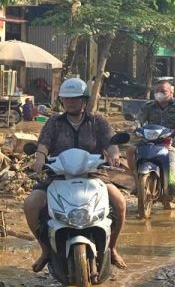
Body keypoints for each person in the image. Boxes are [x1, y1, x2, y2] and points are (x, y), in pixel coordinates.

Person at [24, 78, 127, 273]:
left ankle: (112, 248)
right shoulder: (54, 122)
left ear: (84, 100)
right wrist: (39, 160)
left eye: (75, 98)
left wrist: (114, 155)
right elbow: (43, 146)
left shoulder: (98, 121)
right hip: (57, 176)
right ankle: (45, 249)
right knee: (31, 204)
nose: (70, 102)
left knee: (120, 203)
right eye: (66, 99)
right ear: (62, 101)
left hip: (94, 175)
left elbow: (111, 143)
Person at [139, 77, 175, 193]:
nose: (159, 94)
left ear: (171, 92)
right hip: (151, 139)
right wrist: (135, 126)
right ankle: (136, 181)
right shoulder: (149, 106)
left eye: (163, 91)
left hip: (173, 139)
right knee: (130, 151)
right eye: (157, 91)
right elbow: (139, 118)